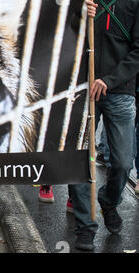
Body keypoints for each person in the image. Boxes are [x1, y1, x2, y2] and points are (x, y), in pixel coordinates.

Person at [69, 0, 139, 251]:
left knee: (122, 162)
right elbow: (64, 36)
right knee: (79, 159)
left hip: (120, 92)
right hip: (82, 89)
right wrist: (79, 14)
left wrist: (109, 80)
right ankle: (85, 226)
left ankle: (109, 202)